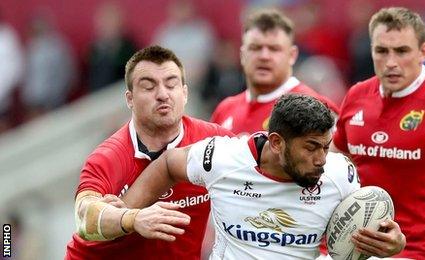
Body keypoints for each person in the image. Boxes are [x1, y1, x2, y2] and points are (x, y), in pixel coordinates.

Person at [121, 94, 406, 259]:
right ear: (277, 142)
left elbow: (365, 234)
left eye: (326, 147)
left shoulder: (339, 174)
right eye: (310, 147)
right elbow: (170, 163)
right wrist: (125, 215)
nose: (321, 159)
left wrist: (393, 244)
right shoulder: (222, 159)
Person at [332, 7, 425, 258]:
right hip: (358, 249)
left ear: (424, 52)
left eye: (401, 51)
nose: (390, 63)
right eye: (381, 51)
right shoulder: (357, 96)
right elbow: (333, 164)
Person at [65, 45, 233, 259]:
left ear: (185, 93)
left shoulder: (214, 140)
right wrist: (132, 219)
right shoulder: (109, 156)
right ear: (130, 99)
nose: (163, 94)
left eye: (171, 84)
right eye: (148, 87)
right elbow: (84, 217)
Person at [210, 9, 339, 136]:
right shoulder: (224, 110)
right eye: (255, 48)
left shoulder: (316, 107)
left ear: (292, 55)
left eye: (274, 49)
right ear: (242, 55)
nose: (264, 56)